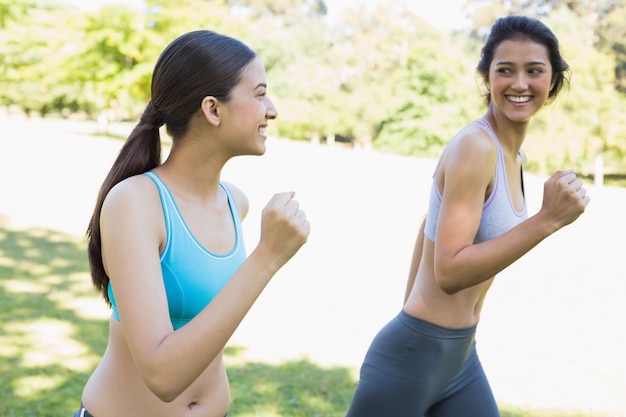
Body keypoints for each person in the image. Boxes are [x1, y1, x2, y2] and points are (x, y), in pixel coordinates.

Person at [345, 15, 590, 417]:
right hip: (414, 357)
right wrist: (546, 220)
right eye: (505, 70)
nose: (520, 83)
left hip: (459, 355)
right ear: (486, 77)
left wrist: (410, 309)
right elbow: (451, 271)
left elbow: (430, 224)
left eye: (535, 70)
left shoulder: (513, 155)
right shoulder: (476, 147)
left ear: (554, 81)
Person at [75, 30, 310, 417]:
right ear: (213, 110)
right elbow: (163, 376)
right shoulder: (135, 203)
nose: (272, 109)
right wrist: (267, 256)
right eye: (259, 93)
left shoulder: (236, 202)